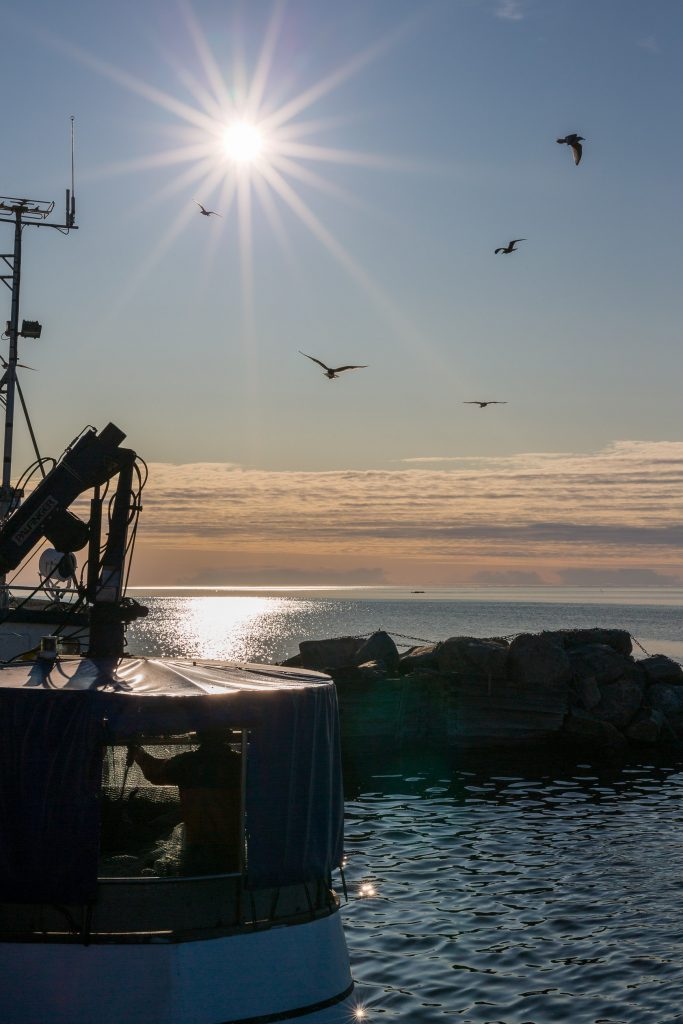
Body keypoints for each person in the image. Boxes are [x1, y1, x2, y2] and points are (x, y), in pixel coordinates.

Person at [127, 730, 242, 875]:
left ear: (198, 736)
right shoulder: (239, 763)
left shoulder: (187, 763)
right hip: (231, 845)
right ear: (228, 736)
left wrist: (139, 753)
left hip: (197, 843)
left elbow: (156, 772)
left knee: (196, 882)